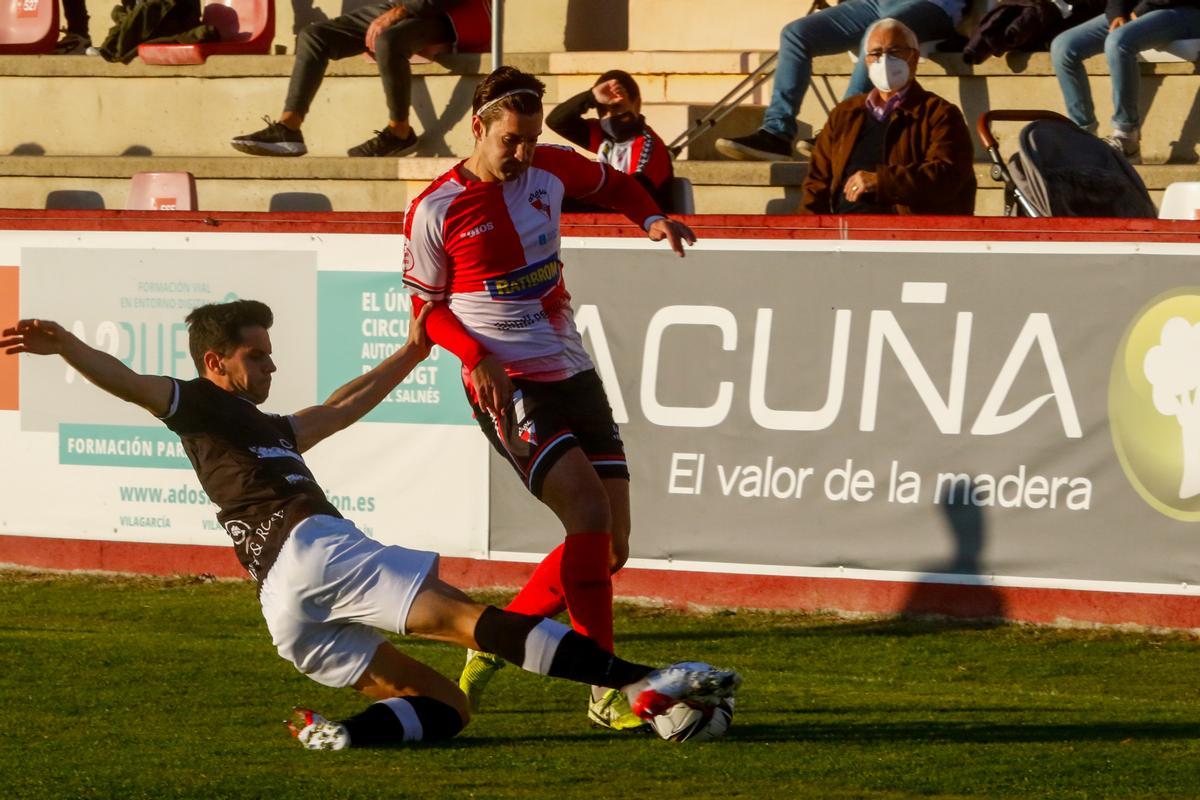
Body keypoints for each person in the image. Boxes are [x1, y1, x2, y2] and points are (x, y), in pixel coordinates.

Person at [0, 302, 738, 750]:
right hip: (313, 548)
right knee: (466, 619)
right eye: (255, 354)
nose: (269, 362)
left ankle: (343, 735)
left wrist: (412, 353)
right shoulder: (197, 403)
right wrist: (67, 347)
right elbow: (130, 383)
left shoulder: (271, 429)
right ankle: (641, 681)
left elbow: (346, 403)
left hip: (283, 605)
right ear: (215, 362)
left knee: (445, 709)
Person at [401, 65, 697, 731]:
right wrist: (476, 356)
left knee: (610, 547)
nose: (524, 152)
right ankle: (605, 689)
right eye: (512, 140)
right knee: (586, 512)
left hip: (573, 370)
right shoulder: (435, 208)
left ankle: (496, 637)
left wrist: (652, 219)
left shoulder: (552, 170)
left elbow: (619, 182)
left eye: (532, 139)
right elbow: (427, 311)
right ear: (478, 128)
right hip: (508, 387)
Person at [715, 0, 966, 162]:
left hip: (931, 5)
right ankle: (776, 134)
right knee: (795, 34)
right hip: (874, 3)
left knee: (876, 34)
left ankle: (841, 130)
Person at [231, 0, 487, 158]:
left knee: (388, 41)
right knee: (314, 36)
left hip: (453, 15)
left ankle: (399, 132)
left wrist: (401, 11)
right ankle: (289, 128)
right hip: (403, 8)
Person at [799, 19, 976, 215]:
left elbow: (947, 176)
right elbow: (817, 182)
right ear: (866, 61)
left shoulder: (939, 114)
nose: (883, 61)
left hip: (908, 236)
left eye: (894, 52)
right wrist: (806, 230)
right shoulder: (845, 113)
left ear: (914, 58)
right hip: (846, 233)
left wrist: (881, 181)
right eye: (875, 53)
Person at [1050, 0, 1200, 161]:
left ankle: (1127, 136)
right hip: (1138, 11)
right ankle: (1084, 138)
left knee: (1118, 43)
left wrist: (1141, 10)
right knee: (1063, 48)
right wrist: (1117, 13)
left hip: (1185, 11)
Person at [546, 70, 675, 212]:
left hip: (646, 218)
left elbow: (632, 194)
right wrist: (591, 97)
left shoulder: (649, 144)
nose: (609, 115)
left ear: (636, 104)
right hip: (614, 211)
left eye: (616, 107)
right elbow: (557, 121)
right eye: (602, 110)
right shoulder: (604, 136)